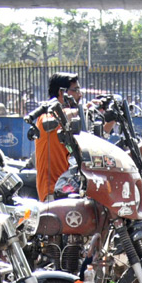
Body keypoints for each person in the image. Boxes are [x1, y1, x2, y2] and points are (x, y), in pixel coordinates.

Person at [36, 72, 80, 202]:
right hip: (52, 192)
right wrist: (84, 110)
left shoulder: (71, 120)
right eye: (76, 90)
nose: (80, 94)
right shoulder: (47, 117)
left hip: (68, 189)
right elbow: (59, 116)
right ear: (62, 93)